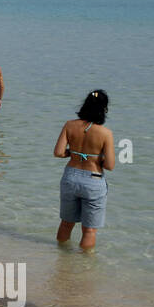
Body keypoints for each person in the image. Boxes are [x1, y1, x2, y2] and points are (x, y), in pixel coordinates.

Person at [54, 90, 115, 251]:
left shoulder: (69, 125)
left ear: (85, 104)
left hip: (70, 177)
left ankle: (61, 257)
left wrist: (72, 153)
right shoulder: (106, 133)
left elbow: (58, 152)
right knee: (89, 230)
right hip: (93, 180)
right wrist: (96, 158)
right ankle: (85, 268)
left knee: (66, 224)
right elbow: (109, 165)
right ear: (104, 109)